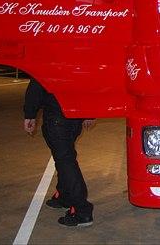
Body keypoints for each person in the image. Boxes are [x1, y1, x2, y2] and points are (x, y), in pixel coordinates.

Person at [23, 79, 95, 227]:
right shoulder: (81, 55)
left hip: (57, 117)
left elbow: (37, 82)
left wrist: (29, 114)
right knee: (65, 157)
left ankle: (82, 210)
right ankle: (64, 195)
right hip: (74, 115)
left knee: (65, 161)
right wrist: (89, 113)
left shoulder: (50, 56)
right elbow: (90, 81)